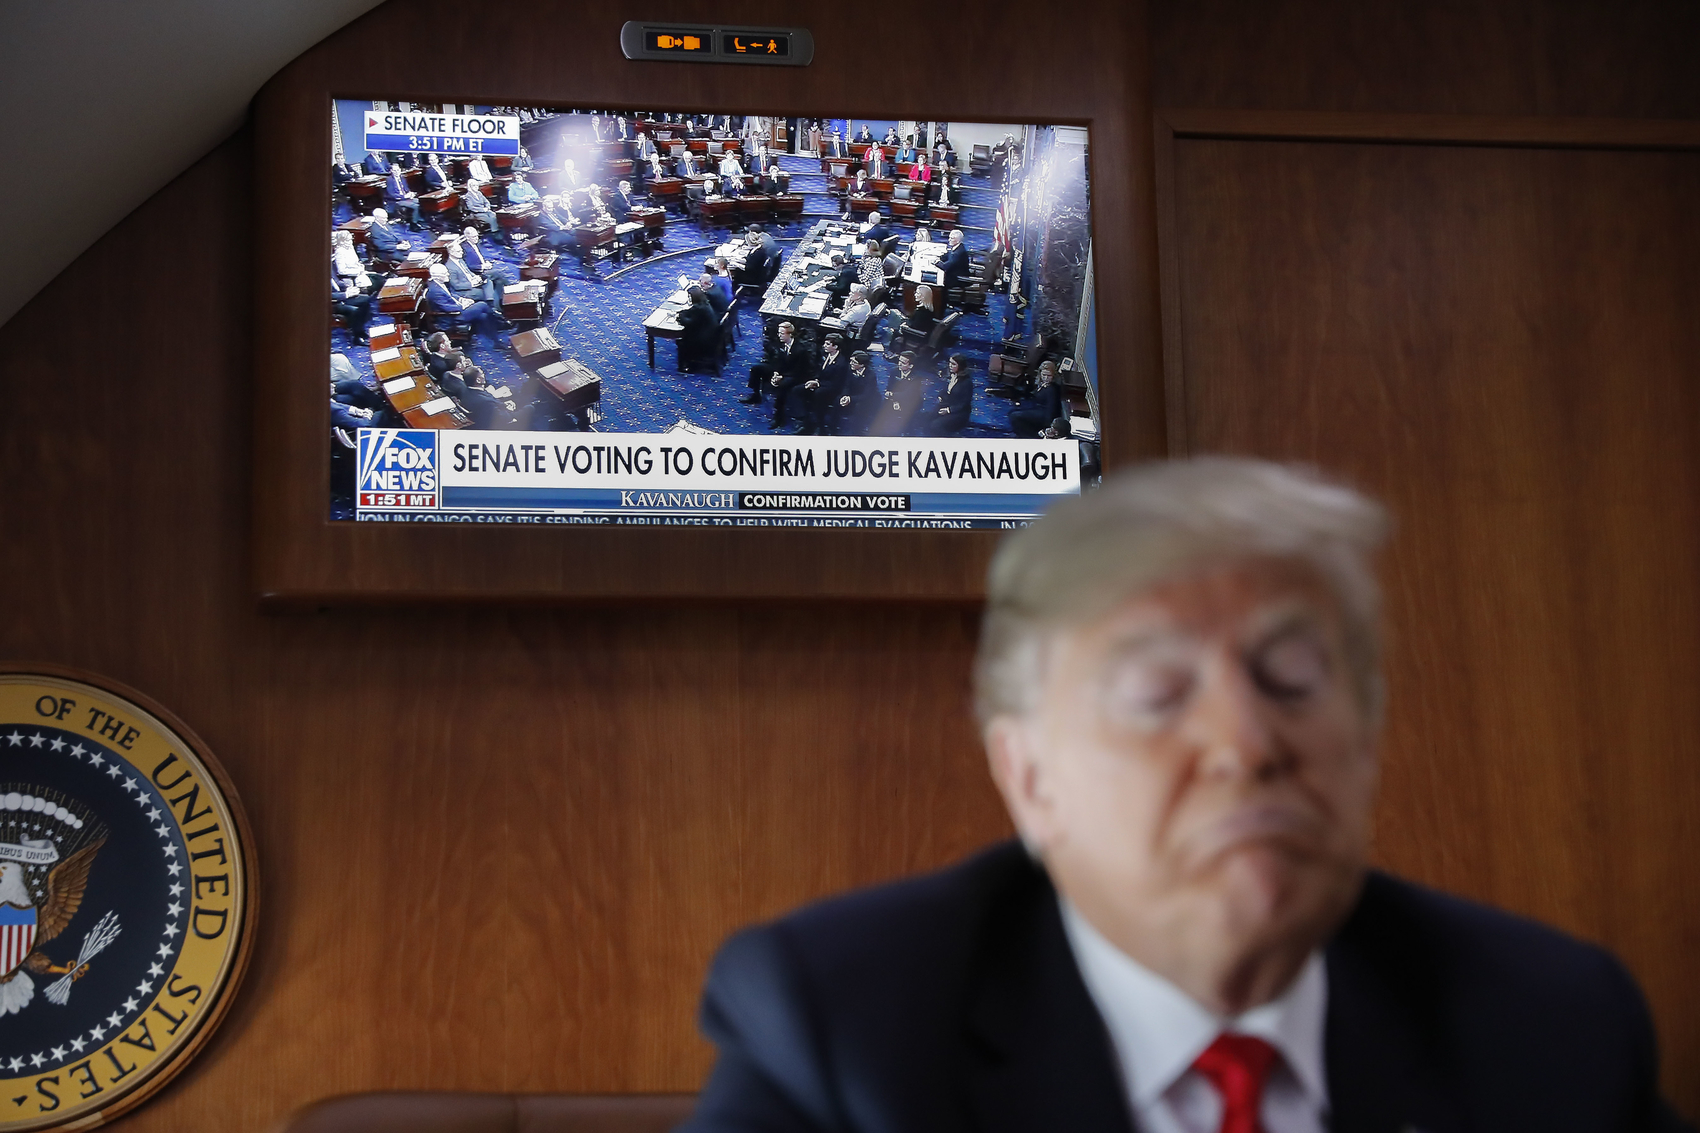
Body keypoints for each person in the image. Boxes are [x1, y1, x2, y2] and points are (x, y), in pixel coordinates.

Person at [680, 456, 1695, 1133]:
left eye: (1291, 680)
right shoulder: (848, 1034)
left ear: (1365, 740)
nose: (1244, 744)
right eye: (1155, 694)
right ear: (1030, 780)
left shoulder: (1547, 1024)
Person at [424, 262, 507, 348]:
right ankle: (500, 320)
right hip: (452, 317)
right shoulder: (435, 291)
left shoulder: (440, 283)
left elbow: (451, 294)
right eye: (445, 274)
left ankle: (496, 341)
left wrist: (462, 299)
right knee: (482, 305)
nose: (448, 274)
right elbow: (447, 308)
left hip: (458, 311)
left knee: (484, 316)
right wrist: (463, 305)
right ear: (436, 276)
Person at [743, 320, 805, 413]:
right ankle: (756, 395)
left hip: (792, 374)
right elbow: (777, 360)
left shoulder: (800, 349)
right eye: (779, 333)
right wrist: (776, 372)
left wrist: (782, 376)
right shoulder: (780, 342)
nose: (779, 335)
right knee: (756, 369)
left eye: (782, 333)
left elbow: (798, 370)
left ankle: (779, 413)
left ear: (790, 334)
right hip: (779, 369)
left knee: (783, 384)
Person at [793, 333, 848, 435]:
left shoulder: (841, 363)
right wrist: (814, 380)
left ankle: (820, 426)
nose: (824, 346)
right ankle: (806, 421)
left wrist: (817, 384)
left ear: (835, 347)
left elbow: (836, 383)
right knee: (797, 390)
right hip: (820, 383)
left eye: (827, 344)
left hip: (831, 388)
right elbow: (817, 370)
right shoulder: (823, 354)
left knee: (818, 394)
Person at [1010, 359, 1070, 439]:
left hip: (1044, 414)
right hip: (1037, 407)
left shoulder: (1051, 390)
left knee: (1015, 416)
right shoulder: (1042, 383)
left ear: (1053, 376)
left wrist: (1047, 426)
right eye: (1044, 375)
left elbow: (1051, 410)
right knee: (1013, 411)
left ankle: (1031, 436)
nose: (1046, 378)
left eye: (1049, 376)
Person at [825, 349, 879, 436]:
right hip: (852, 395)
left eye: (854, 362)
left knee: (859, 406)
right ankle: (832, 429)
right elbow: (846, 385)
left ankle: (857, 431)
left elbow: (867, 395)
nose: (851, 364)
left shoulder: (870, 375)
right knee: (837, 400)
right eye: (851, 361)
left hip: (866, 399)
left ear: (862, 365)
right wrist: (845, 396)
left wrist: (850, 399)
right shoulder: (850, 370)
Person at [870, 349, 923, 436]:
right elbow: (889, 388)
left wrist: (894, 398)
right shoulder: (894, 371)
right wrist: (894, 401)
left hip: (910, 403)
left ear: (911, 366)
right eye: (899, 361)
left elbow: (908, 395)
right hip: (894, 399)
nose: (899, 364)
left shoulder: (917, 378)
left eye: (903, 363)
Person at [924, 353, 974, 435]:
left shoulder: (967, 382)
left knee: (936, 425)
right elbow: (946, 390)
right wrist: (941, 396)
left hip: (959, 412)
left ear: (960, 366)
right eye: (950, 363)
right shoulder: (951, 376)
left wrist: (948, 410)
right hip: (947, 404)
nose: (950, 366)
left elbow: (964, 404)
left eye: (953, 364)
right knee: (927, 418)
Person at [674, 286, 720, 371]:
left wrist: (680, 316)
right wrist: (684, 313)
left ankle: (684, 366)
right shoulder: (704, 303)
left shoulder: (700, 308)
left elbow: (688, 322)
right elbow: (692, 312)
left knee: (681, 340)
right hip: (711, 335)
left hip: (705, 340)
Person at [459, 227, 515, 292]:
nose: (476, 238)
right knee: (499, 271)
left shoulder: (477, 243)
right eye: (474, 237)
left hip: (485, 266)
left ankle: (504, 292)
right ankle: (511, 287)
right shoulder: (466, 249)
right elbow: (469, 265)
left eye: (477, 236)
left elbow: (481, 256)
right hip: (477, 272)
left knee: (506, 267)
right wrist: (483, 266)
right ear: (467, 237)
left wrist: (487, 262)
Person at [445, 239, 495, 305]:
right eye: (458, 251)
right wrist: (471, 283)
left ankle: (491, 302)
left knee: (488, 282)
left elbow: (468, 271)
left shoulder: (460, 260)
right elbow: (456, 286)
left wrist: (475, 277)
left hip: (472, 281)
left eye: (461, 251)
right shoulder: (449, 267)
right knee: (483, 292)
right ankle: (491, 305)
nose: (461, 253)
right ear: (451, 252)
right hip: (463, 290)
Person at [384, 163, 422, 227]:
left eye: (398, 170)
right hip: (398, 200)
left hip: (406, 198)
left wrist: (410, 193)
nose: (396, 172)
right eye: (394, 171)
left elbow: (406, 189)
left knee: (421, 202)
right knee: (416, 206)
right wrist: (403, 196)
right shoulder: (389, 180)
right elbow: (391, 194)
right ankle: (413, 224)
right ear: (391, 171)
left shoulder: (402, 178)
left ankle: (418, 220)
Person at [940, 228, 970, 298]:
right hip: (954, 274)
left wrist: (935, 262)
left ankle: (942, 301)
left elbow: (945, 267)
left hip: (958, 278)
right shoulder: (956, 247)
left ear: (958, 240)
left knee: (938, 282)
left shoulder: (958, 252)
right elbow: (946, 256)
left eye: (952, 238)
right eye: (949, 238)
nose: (949, 240)